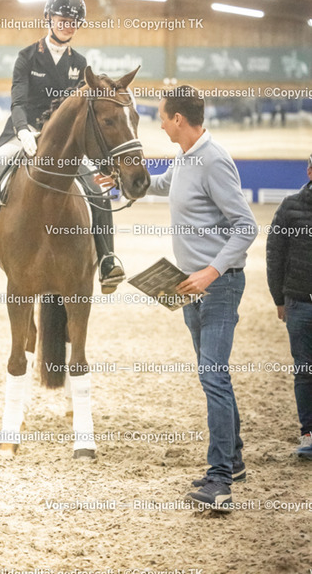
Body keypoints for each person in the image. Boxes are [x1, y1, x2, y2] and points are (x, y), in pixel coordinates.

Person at [0, 0, 124, 295]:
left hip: (64, 142)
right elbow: (18, 101)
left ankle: (107, 259)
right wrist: (23, 130)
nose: (68, 25)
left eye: (73, 22)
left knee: (97, 189)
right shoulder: (27, 56)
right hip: (22, 133)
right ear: (49, 18)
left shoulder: (80, 63)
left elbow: (81, 111)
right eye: (63, 19)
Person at [148, 86, 258, 509]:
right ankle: (234, 460)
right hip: (188, 288)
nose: (160, 124)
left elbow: (246, 226)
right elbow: (162, 185)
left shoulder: (213, 160)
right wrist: (123, 180)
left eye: (162, 117)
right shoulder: (184, 157)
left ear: (178, 119)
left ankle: (220, 482)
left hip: (218, 287)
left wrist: (211, 272)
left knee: (213, 377)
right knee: (213, 376)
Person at [266, 155, 312, 460]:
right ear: (309, 171)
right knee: (305, 371)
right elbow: (275, 254)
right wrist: (279, 299)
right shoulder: (289, 207)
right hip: (299, 303)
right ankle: (309, 433)